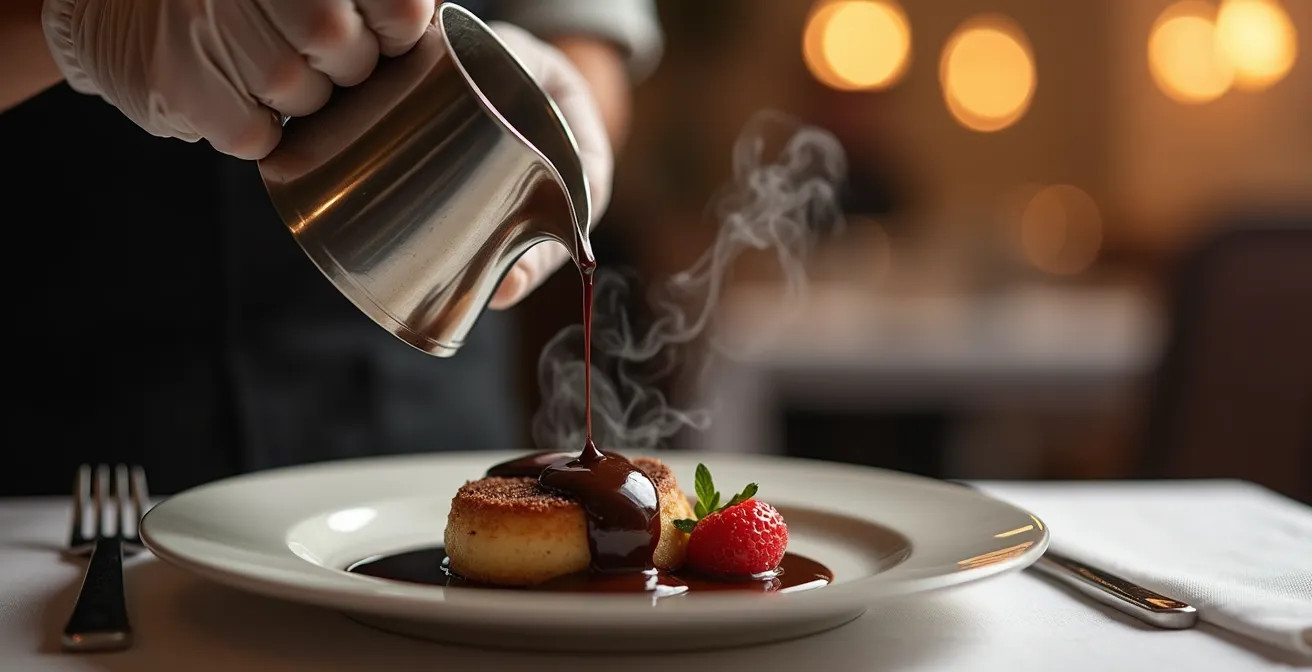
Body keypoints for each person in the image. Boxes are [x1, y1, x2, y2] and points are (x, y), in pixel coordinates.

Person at [0, 0, 663, 495]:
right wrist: (77, 20)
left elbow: (587, 39)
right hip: (57, 434)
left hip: (408, 428)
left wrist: (554, 95)